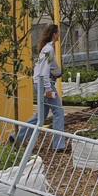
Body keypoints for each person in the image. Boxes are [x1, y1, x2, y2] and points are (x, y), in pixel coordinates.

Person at [14, 23, 66, 152]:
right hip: (44, 84)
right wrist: (48, 89)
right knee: (58, 112)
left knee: (41, 116)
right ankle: (58, 145)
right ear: (54, 34)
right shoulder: (49, 49)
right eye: (58, 33)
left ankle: (17, 137)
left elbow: (44, 68)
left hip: (38, 83)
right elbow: (44, 71)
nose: (59, 35)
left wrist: (57, 72)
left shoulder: (45, 48)